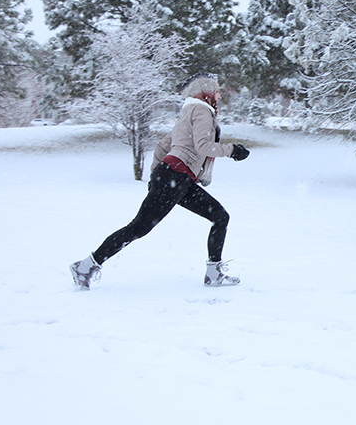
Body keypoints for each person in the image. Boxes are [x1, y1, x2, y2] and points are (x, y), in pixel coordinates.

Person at [69, 73, 251, 290]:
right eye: (217, 92)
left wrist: (156, 176)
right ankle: (86, 266)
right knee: (138, 228)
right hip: (175, 177)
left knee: (220, 216)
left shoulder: (187, 113)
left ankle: (213, 273)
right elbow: (203, 146)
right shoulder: (202, 111)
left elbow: (162, 147)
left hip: (177, 179)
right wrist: (232, 150)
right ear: (207, 93)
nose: (219, 97)